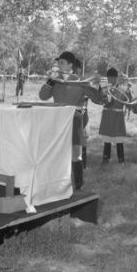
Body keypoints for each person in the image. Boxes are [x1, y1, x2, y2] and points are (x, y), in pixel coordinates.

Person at [39, 51, 99, 190]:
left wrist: (97, 88)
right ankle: (58, 184)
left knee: (76, 154)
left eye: (62, 62)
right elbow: (43, 96)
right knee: (57, 153)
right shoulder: (55, 80)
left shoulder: (80, 81)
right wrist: (50, 81)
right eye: (58, 62)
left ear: (70, 65)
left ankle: (78, 186)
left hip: (74, 120)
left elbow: (96, 98)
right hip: (58, 120)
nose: (59, 65)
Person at [99, 68, 127, 164]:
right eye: (109, 78)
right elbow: (100, 101)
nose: (110, 80)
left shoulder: (123, 90)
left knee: (119, 139)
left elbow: (129, 102)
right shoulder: (104, 89)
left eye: (112, 78)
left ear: (116, 78)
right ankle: (105, 159)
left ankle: (121, 160)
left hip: (118, 117)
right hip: (107, 116)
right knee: (107, 139)